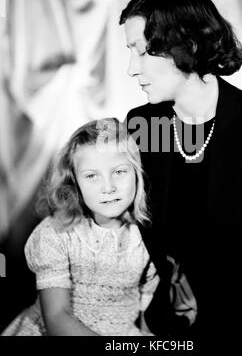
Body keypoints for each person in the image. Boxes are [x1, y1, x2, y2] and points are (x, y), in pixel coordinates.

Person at [119, 0, 242, 337]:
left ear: (187, 45)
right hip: (170, 327)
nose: (131, 68)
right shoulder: (145, 124)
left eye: (142, 52)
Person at [1, 119, 158, 336]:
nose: (108, 187)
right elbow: (57, 317)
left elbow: (148, 315)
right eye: (92, 176)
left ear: (137, 172)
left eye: (119, 172)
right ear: (74, 181)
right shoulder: (56, 233)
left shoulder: (149, 236)